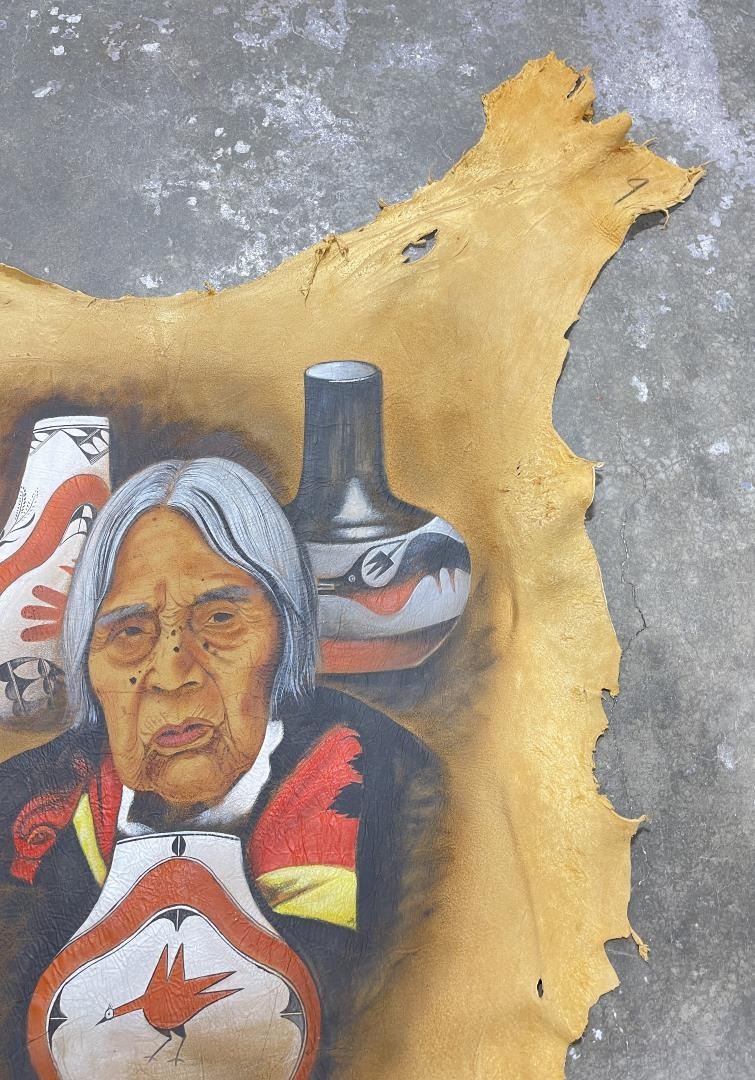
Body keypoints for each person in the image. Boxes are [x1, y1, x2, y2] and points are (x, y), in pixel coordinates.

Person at [0, 458, 441, 1079]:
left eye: (221, 619)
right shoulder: (21, 809)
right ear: (88, 665)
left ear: (284, 634)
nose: (172, 673)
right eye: (130, 631)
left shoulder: (401, 796)